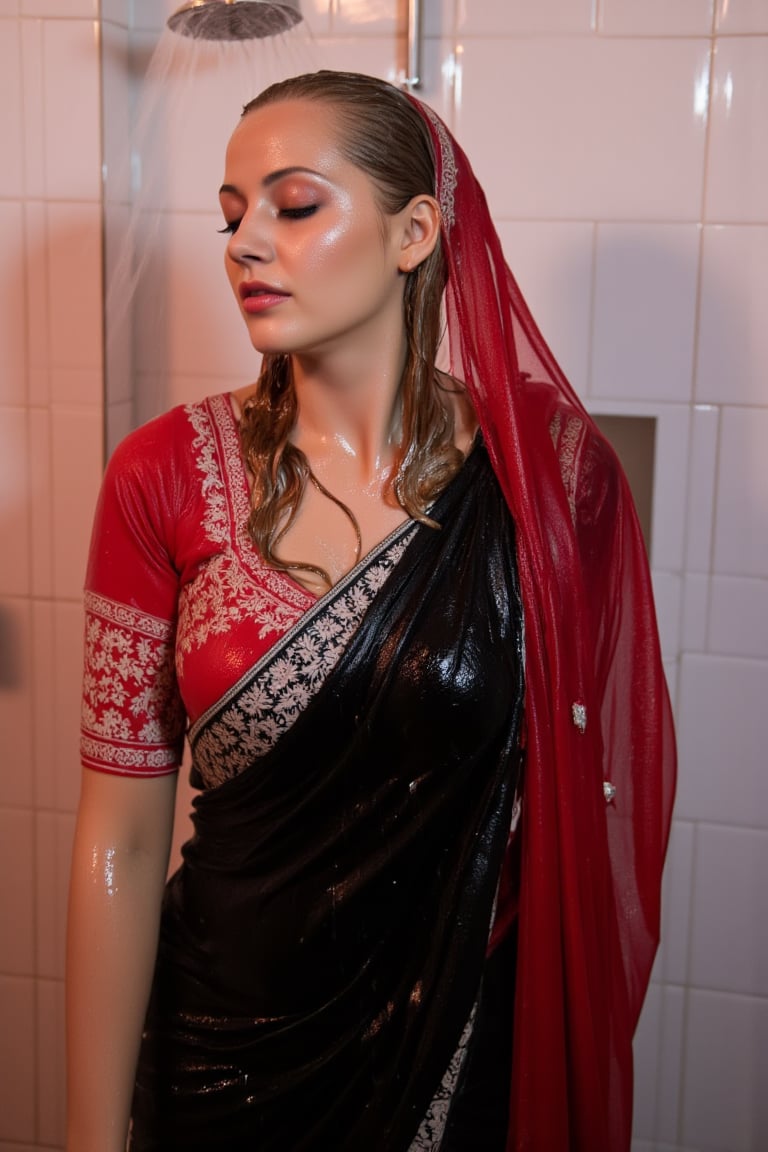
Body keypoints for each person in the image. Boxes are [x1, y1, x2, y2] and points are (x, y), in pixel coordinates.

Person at [66, 70, 675, 1152]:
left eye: (294, 206)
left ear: (414, 232)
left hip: (456, 1054)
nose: (246, 242)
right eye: (232, 214)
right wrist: (84, 1136)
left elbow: (590, 797)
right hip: (222, 1057)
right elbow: (118, 832)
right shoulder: (163, 476)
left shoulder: (551, 477)